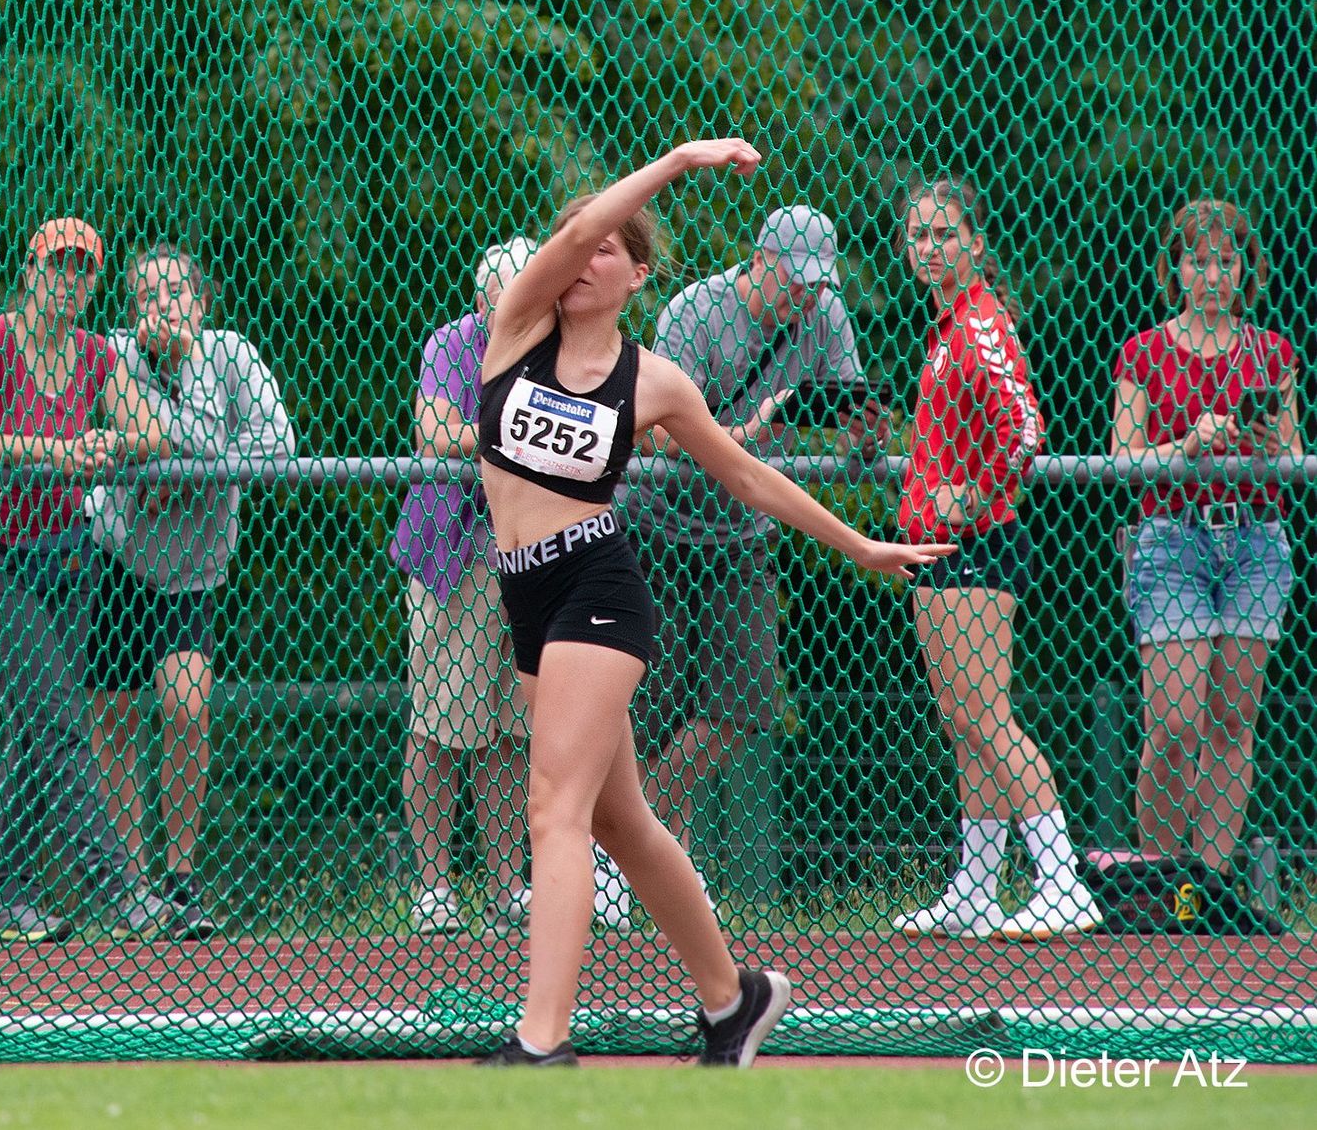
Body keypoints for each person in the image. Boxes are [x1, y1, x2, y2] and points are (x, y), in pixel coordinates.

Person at [471, 140, 950, 1069]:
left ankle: (541, 1041)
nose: (586, 254)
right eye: (583, 241)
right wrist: (678, 160)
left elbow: (748, 477)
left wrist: (857, 544)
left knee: (553, 811)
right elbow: (576, 225)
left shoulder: (652, 381)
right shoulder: (519, 326)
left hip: (595, 589)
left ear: (638, 275)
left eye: (610, 248)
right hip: (523, 595)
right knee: (621, 821)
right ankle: (735, 1000)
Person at [620, 207, 887, 886]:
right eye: (795, 281)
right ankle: (657, 865)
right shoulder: (694, 312)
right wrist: (750, 430)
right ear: (761, 260)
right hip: (659, 523)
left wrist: (862, 438)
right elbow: (653, 434)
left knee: (743, 705)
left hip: (741, 530)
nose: (806, 296)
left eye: (816, 284)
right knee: (648, 709)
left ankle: (635, 843)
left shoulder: (824, 314)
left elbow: (847, 414)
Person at [391, 240, 634, 934]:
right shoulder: (454, 343)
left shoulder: (568, 344)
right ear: (481, 304)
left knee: (509, 732)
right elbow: (434, 433)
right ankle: (434, 887)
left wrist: (505, 438)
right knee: (440, 726)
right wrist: (521, 438)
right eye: (513, 296)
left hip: (535, 556)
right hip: (455, 553)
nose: (534, 306)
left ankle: (506, 888)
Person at [0, 217, 172, 942]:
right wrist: (49, 451)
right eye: (56, 266)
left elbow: (154, 434)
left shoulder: (96, 355)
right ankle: (121, 891)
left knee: (32, 724)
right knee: (60, 725)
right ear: (29, 269)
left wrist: (110, 441)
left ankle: (5, 897)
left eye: (81, 270)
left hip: (65, 556)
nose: (66, 281)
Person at [891, 177, 1101, 940]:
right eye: (917, 236)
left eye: (944, 235)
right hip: (938, 548)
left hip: (979, 543)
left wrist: (973, 498)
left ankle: (1062, 880)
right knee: (962, 722)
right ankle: (976, 889)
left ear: (974, 243)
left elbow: (1024, 428)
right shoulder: (945, 326)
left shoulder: (981, 322)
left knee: (986, 716)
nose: (929, 248)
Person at [86, 243, 297, 940]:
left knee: (185, 704)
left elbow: (279, 444)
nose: (161, 307)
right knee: (113, 720)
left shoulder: (228, 355)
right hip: (116, 556)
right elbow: (113, 440)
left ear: (201, 303)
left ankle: (179, 879)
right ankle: (130, 889)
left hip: (192, 570)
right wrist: (173, 457)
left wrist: (189, 466)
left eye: (175, 292)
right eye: (146, 296)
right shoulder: (111, 355)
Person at [1111, 199, 1299, 876]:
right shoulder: (1143, 352)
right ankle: (1162, 877)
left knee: (1230, 719)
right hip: (1170, 540)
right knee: (1174, 722)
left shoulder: (1271, 353)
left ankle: (1212, 886)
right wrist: (1187, 445)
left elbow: (1293, 455)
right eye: (1197, 259)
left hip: (1254, 538)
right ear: (1175, 267)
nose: (1212, 273)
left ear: (1245, 268)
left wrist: (1264, 441)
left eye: (1225, 260)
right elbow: (1123, 458)